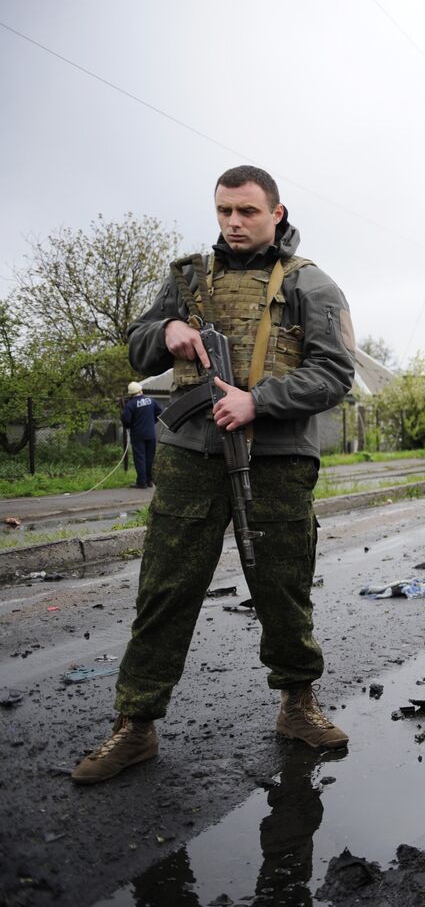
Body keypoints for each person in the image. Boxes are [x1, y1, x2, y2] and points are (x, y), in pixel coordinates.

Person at [72, 165, 356, 785]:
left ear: (276, 214)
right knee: (166, 588)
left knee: (283, 588)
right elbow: (138, 342)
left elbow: (335, 375)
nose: (233, 223)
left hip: (277, 461)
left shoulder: (313, 285)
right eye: (225, 211)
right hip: (190, 454)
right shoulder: (187, 280)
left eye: (248, 212)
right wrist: (165, 330)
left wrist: (261, 400)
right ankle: (136, 724)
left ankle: (298, 705)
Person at [121, 381, 162, 489]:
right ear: (140, 390)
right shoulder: (151, 401)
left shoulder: (130, 405)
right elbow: (160, 412)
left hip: (137, 435)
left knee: (140, 458)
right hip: (151, 434)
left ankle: (141, 482)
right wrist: (151, 422)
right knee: (150, 458)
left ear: (131, 393)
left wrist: (130, 426)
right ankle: (149, 481)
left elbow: (126, 420)